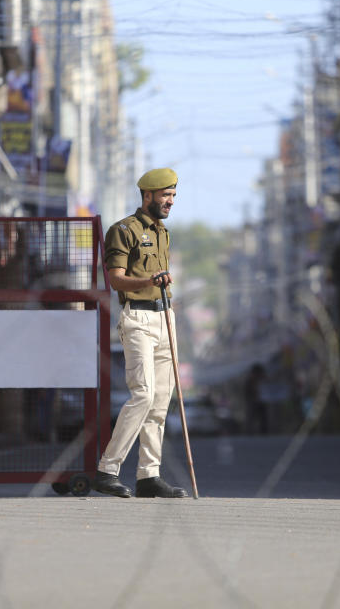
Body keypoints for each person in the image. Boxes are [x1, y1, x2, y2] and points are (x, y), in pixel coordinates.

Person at [92, 168, 188, 499]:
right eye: (165, 195)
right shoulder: (123, 230)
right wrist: (149, 282)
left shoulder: (163, 232)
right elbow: (116, 278)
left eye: (173, 196)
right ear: (147, 196)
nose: (170, 202)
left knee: (161, 401)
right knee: (143, 394)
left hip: (165, 318)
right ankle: (107, 469)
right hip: (138, 320)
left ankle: (149, 475)